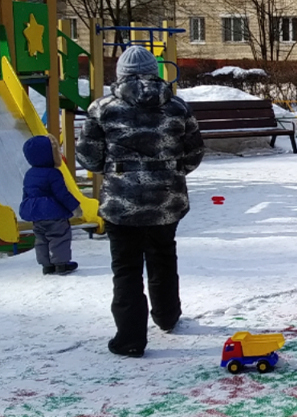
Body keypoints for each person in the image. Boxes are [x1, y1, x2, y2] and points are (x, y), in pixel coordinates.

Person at [77, 45, 204, 358]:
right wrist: (170, 172)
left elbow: (89, 158)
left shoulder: (101, 108)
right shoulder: (177, 107)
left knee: (126, 268)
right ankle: (167, 315)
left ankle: (130, 338)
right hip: (166, 200)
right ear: (155, 72)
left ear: (120, 75)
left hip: (121, 204)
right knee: (163, 256)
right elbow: (194, 152)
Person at [20, 134, 82, 275]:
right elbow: (62, 194)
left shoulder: (29, 174)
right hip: (53, 212)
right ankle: (61, 264)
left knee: (41, 239)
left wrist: (26, 209)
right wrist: (75, 207)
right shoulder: (53, 173)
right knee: (59, 236)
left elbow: (27, 193)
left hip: (36, 214)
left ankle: (46, 265)